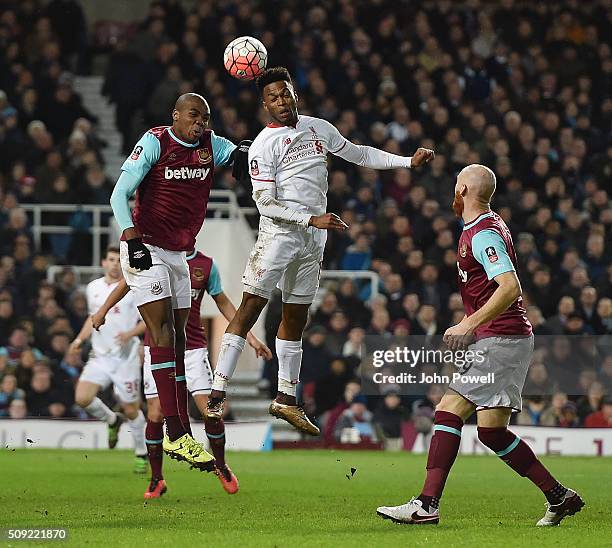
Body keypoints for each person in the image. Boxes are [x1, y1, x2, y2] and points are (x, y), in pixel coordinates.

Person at [207, 67, 434, 435]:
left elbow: (358, 154)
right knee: (251, 307)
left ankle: (287, 399)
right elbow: (264, 202)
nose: (281, 101)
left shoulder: (318, 127)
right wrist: (311, 219)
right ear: (264, 104)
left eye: (285, 93)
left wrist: (406, 161)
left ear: (294, 93)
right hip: (278, 235)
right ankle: (218, 391)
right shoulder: (263, 145)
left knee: (296, 317)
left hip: (313, 240)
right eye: (273, 97)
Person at [376, 165, 584, 526]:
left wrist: (468, 323)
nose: (452, 195)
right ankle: (558, 496)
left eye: (456, 188)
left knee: (448, 409)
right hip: (507, 337)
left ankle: (426, 504)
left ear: (464, 190)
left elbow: (510, 286)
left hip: (501, 338)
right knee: (490, 431)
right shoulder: (486, 225)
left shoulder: (483, 234)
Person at [109, 92, 250, 471]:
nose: (199, 122)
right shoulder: (155, 141)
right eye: (192, 115)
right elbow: (119, 194)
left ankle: (181, 428)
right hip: (146, 247)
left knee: (182, 334)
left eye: (204, 116)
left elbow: (240, 156)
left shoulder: (209, 144)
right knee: (162, 334)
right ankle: (175, 432)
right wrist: (131, 237)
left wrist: (249, 154)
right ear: (175, 115)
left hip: (178, 253)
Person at [91, 249, 272, 498]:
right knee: (155, 413)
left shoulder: (207, 265)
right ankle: (157, 479)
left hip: (193, 349)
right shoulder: (152, 256)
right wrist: (103, 310)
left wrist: (248, 336)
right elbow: (126, 283)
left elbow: (223, 302)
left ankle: (220, 465)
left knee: (210, 410)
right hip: (157, 347)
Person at [70, 246, 148, 473]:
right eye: (111, 259)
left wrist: (131, 334)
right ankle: (112, 420)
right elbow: (92, 318)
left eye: (119, 260)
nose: (115, 264)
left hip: (126, 359)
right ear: (104, 262)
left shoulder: (133, 289)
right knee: (82, 398)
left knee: (132, 409)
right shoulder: (92, 288)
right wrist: (78, 340)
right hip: (100, 356)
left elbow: (146, 321)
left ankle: (141, 453)